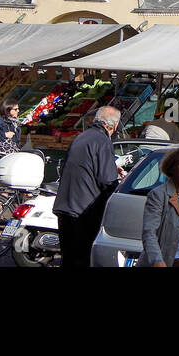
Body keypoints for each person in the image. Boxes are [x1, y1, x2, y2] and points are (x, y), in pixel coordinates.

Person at [55, 106, 123, 268]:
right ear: (113, 126)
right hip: (84, 211)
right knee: (83, 259)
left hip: (66, 207)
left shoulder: (82, 137)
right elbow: (107, 180)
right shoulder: (103, 140)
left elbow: (83, 167)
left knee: (69, 259)